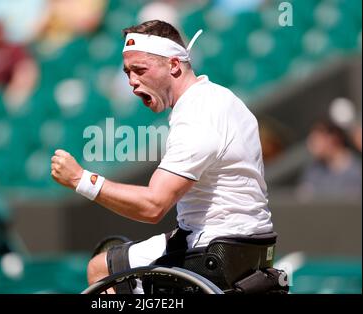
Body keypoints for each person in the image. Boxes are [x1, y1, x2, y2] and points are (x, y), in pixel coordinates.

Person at [50, 20, 273, 292]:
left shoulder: (198, 114)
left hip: (214, 252)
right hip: (248, 247)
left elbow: (153, 206)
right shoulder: (220, 99)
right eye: (127, 72)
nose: (132, 81)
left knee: (100, 268)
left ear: (174, 65)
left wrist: (81, 179)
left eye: (140, 70)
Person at [296, 119, 362, 200]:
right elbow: (302, 198)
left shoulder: (357, 171)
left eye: (317, 138)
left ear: (333, 138)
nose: (311, 143)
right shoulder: (314, 170)